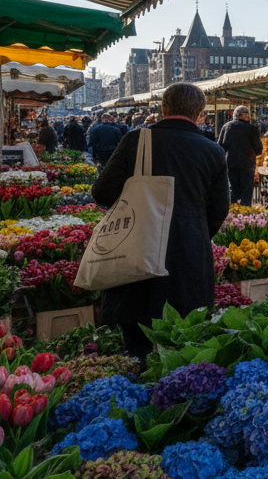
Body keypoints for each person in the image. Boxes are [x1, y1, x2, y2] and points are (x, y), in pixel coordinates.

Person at [92, 82, 230, 360]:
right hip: (189, 254)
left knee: (138, 341)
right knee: (185, 337)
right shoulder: (212, 150)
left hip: (139, 249)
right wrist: (193, 230)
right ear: (200, 114)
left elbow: (102, 191)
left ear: (163, 108)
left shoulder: (136, 140)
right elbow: (219, 210)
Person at [218, 104, 263, 206]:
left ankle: (232, 216)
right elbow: (259, 149)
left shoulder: (226, 127)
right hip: (247, 165)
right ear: (247, 116)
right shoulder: (252, 129)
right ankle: (245, 217)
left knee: (233, 191)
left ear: (235, 115)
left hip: (231, 164)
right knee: (246, 194)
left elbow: (220, 147)